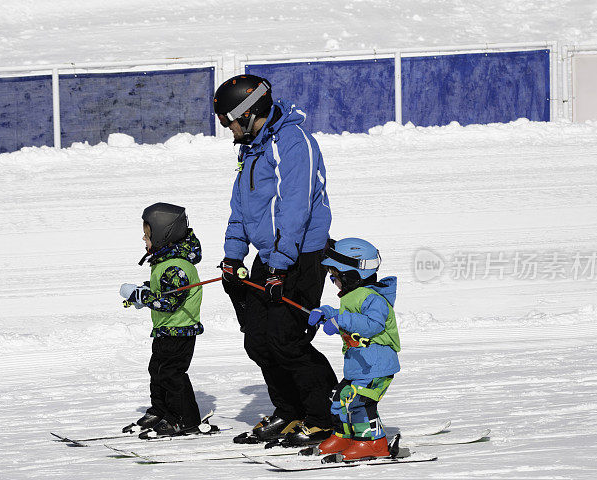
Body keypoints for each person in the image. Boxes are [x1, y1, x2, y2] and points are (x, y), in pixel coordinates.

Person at [213, 74, 337, 447]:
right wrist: (234, 255)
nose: (228, 129)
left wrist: (282, 262)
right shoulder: (250, 146)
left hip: (299, 256)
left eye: (229, 121)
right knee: (258, 341)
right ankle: (289, 411)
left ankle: (322, 416)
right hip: (272, 257)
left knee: (287, 340)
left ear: (251, 113)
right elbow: (242, 206)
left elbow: (294, 207)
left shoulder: (292, 142)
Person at [119, 202, 210, 438]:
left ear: (163, 236)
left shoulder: (176, 266)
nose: (143, 239)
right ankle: (161, 410)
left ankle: (185, 419)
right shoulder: (166, 263)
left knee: (172, 374)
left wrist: (143, 296)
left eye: (148, 235)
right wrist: (144, 294)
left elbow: (170, 302)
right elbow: (163, 291)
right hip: (166, 331)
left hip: (179, 331)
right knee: (157, 370)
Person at [307, 237, 401, 460]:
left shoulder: (374, 298)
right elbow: (348, 314)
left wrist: (340, 320)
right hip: (359, 367)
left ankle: (374, 443)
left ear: (351, 275)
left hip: (376, 366)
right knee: (339, 398)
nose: (334, 281)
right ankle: (346, 436)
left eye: (335, 277)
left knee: (360, 402)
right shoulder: (353, 296)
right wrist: (326, 312)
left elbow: (372, 324)